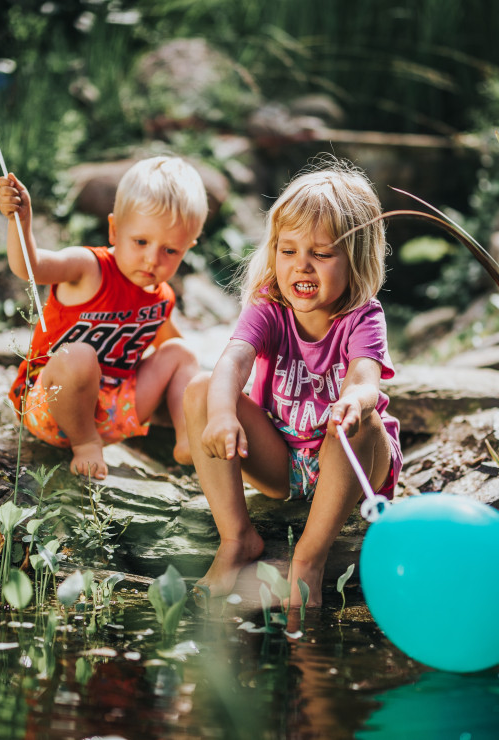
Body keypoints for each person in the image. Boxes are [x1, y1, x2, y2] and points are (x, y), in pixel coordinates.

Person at [184, 158, 402, 608]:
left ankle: (309, 559)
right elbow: (233, 362)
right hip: (283, 462)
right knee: (200, 391)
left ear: (356, 258)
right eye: (289, 251)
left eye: (321, 254)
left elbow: (367, 380)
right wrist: (223, 413)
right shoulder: (268, 306)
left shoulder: (363, 316)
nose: (302, 266)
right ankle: (237, 538)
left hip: (350, 464)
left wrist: (354, 403)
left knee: (358, 425)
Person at [0, 156, 208, 478]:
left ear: (187, 248)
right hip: (51, 406)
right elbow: (31, 266)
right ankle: (85, 444)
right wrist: (20, 222)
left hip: (114, 411)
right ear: (114, 229)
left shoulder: (159, 297)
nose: (152, 259)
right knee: (79, 355)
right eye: (140, 242)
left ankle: (188, 438)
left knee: (182, 353)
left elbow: (175, 357)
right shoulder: (88, 267)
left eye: (171, 251)